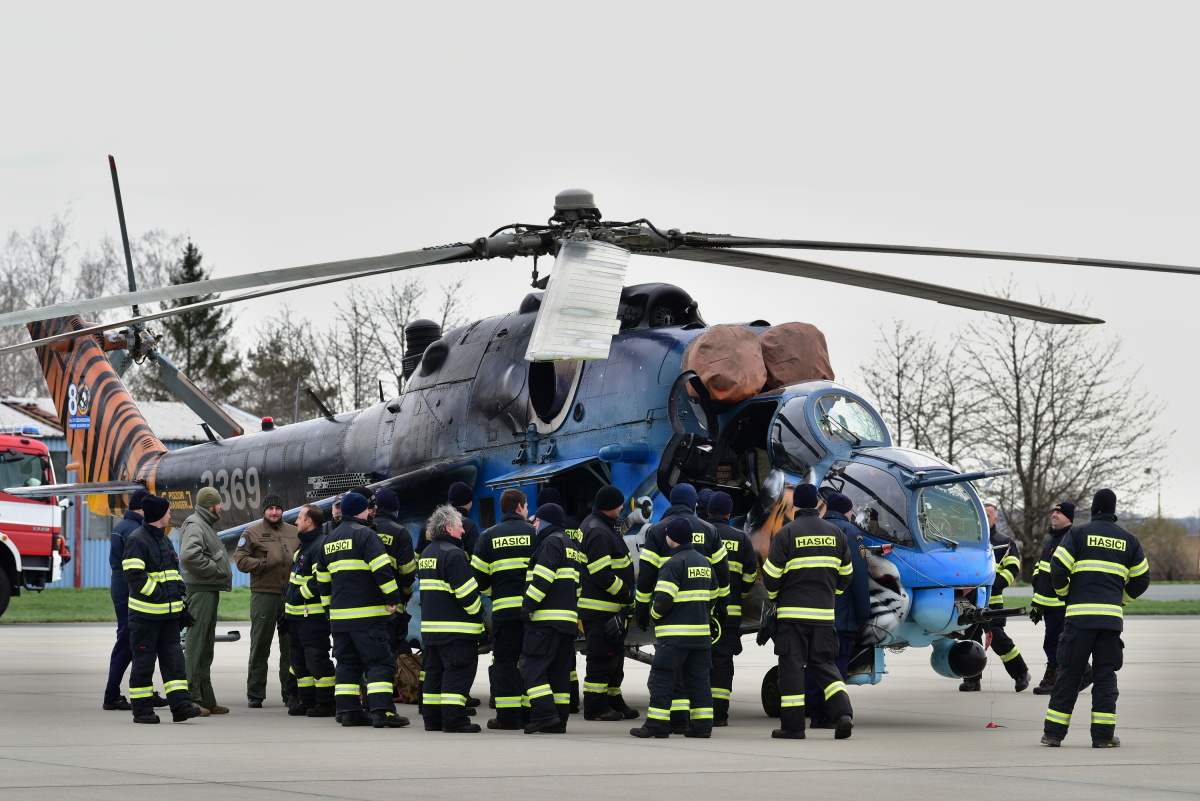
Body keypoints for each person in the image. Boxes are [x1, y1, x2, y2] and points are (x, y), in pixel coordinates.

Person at [1042, 489, 1149, 748]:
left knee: (1069, 674)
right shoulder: (1129, 540)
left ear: (1093, 509)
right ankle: (1103, 737)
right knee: (1105, 676)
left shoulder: (1077, 534)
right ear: (1114, 510)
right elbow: (1142, 579)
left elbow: (1058, 567)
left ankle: (1054, 734)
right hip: (1110, 621)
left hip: (1079, 618)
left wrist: (1065, 594)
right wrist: (1120, 600)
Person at [762, 483, 854, 740]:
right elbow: (846, 576)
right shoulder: (836, 533)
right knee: (825, 665)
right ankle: (843, 714)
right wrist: (829, 596)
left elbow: (770, 575)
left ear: (796, 506)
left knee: (791, 667)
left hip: (792, 616)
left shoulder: (787, 533)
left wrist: (774, 599)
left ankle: (792, 727)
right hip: (824, 616)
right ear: (816, 504)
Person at [636, 483, 729, 731]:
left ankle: (662, 723)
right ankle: (699, 726)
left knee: (666, 676)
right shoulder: (710, 531)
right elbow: (722, 572)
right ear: (694, 504)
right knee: (698, 679)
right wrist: (722, 606)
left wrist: (645, 611)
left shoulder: (656, 532)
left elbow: (646, 577)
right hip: (699, 626)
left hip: (672, 624)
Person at [314, 492, 408, 728]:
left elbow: (321, 581)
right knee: (379, 662)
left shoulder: (329, 539)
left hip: (339, 618)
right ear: (361, 510)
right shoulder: (366, 534)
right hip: (368, 616)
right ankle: (382, 711)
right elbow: (382, 570)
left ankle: (348, 711)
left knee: (347, 664)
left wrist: (328, 610)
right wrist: (393, 598)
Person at [121, 494, 204, 724]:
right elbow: (133, 575)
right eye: (168, 511)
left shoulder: (164, 540)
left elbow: (172, 574)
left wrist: (179, 601)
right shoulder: (137, 540)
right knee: (144, 664)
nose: (170, 515)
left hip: (168, 617)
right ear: (158, 515)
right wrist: (158, 595)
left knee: (174, 663)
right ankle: (142, 710)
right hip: (146, 618)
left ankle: (180, 706)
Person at [471, 488, 537, 730]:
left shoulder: (487, 536)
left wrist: (494, 593)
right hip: (533, 612)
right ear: (520, 507)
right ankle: (532, 713)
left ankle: (508, 718)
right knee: (531, 661)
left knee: (505, 662)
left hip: (504, 612)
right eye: (527, 506)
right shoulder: (535, 533)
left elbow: (478, 578)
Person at [807, 492, 870, 727]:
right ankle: (833, 713)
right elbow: (859, 576)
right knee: (837, 663)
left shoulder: (810, 529)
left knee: (813, 663)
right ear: (847, 511)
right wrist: (864, 612)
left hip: (809, 612)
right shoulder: (851, 532)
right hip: (840, 614)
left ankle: (814, 714)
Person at [419, 504, 483, 733]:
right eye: (459, 527)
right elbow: (467, 595)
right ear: (448, 528)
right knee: (458, 673)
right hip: (457, 631)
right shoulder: (454, 554)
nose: (463, 531)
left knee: (435, 675)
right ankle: (455, 720)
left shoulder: (427, 553)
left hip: (432, 630)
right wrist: (479, 614)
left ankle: (433, 719)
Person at [103, 487, 167, 712]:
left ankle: (144, 692)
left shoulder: (123, 526)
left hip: (122, 590)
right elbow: (137, 570)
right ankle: (112, 695)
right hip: (129, 593)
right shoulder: (135, 530)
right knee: (130, 643)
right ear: (142, 508)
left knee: (139, 643)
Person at [579, 485, 639, 722]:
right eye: (619, 504)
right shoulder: (598, 532)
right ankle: (595, 708)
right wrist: (626, 594)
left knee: (614, 659)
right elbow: (601, 573)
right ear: (610, 507)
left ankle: (614, 701)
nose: (623, 507)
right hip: (600, 609)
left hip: (611, 609)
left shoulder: (601, 526)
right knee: (601, 659)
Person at [520, 502, 581, 734]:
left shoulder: (551, 543)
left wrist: (527, 606)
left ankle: (545, 715)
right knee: (559, 674)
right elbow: (577, 587)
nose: (534, 525)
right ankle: (559, 720)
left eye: (536, 521)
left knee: (532, 668)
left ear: (546, 522)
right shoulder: (571, 545)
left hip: (545, 621)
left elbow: (543, 579)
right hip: (567, 622)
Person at [234, 493, 299, 708]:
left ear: (282, 510)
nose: (274, 512)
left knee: (290, 645)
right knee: (261, 643)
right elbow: (241, 561)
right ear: (264, 511)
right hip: (264, 594)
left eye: (277, 508)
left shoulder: (294, 531)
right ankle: (255, 693)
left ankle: (289, 693)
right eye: (270, 508)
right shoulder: (251, 532)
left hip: (290, 595)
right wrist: (265, 563)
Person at [960, 503, 1031, 692]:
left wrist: (992, 587)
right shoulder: (964, 542)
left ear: (995, 519)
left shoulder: (1005, 542)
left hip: (993, 601)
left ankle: (1021, 674)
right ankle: (972, 679)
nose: (983, 517)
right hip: (969, 602)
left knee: (998, 639)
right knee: (969, 639)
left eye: (988, 514)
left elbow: (1012, 569)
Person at [706, 490, 758, 727]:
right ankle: (719, 714)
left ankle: (697, 710)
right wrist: (740, 594)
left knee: (697, 660)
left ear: (708, 511)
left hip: (700, 612)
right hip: (729, 613)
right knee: (723, 662)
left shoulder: (700, 535)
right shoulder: (741, 538)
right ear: (729, 513)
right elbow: (750, 575)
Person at [179, 486, 233, 714]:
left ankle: (206, 699)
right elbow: (189, 556)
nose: (221, 507)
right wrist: (215, 570)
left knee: (206, 645)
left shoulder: (204, 524)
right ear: (211, 505)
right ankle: (191, 698)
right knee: (195, 645)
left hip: (208, 590)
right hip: (200, 590)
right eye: (219, 504)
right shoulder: (196, 524)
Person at [284, 504, 336, 717]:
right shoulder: (304, 545)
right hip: (296, 616)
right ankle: (306, 699)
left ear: (309, 521)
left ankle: (326, 702)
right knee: (298, 661)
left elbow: (319, 581)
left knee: (316, 659)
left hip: (311, 616)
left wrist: (298, 595)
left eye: (299, 518)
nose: (296, 521)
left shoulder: (318, 546)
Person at [1030, 502, 1077, 694]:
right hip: (1047, 603)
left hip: (1060, 604)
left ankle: (1055, 677)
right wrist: (1038, 603)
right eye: (1054, 511)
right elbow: (1041, 568)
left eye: (1059, 512)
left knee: (1055, 643)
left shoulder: (1070, 538)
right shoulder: (1053, 538)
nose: (1054, 514)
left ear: (1069, 518)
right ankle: (1067, 674)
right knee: (1052, 641)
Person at [373, 488, 417, 655]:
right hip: (392, 607)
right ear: (395, 509)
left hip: (364, 606)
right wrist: (404, 597)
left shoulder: (364, 529)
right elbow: (407, 572)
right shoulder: (400, 532)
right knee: (388, 656)